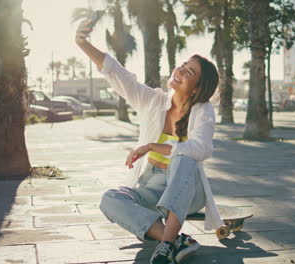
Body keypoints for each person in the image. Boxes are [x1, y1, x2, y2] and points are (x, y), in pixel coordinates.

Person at [75, 19, 223, 264]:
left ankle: (165, 247)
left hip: (188, 188)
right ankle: (176, 240)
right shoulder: (153, 101)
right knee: (110, 198)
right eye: (182, 66)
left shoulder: (202, 110)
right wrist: (83, 43)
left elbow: (202, 148)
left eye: (189, 73)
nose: (180, 71)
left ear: (197, 88)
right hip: (152, 184)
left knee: (183, 157)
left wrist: (154, 146)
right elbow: (119, 75)